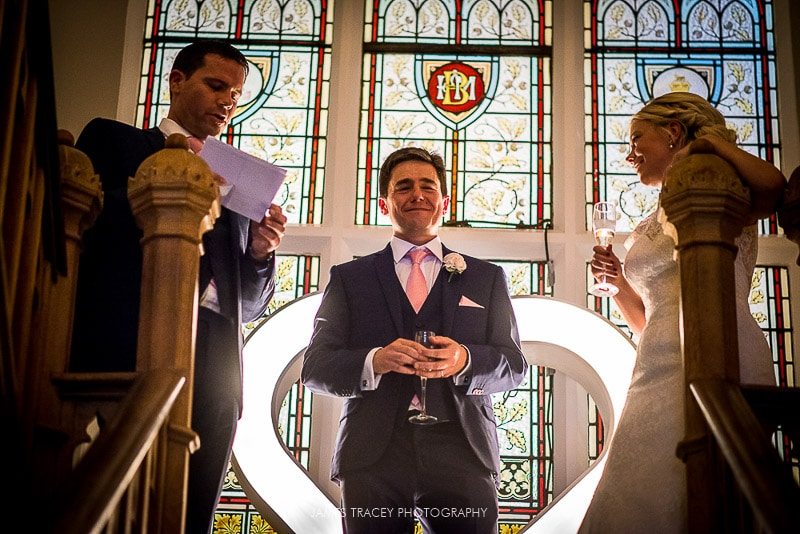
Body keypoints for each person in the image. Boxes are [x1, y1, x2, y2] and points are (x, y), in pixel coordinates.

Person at [69, 40, 287, 534]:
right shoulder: (114, 140)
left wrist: (258, 254)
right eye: (216, 86)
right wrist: (178, 186)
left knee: (192, 511)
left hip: (214, 362)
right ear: (176, 80)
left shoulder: (239, 186)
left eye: (235, 95)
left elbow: (247, 306)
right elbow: (84, 219)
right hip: (129, 337)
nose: (227, 102)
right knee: (112, 490)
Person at [580, 92, 785, 532]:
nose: (629, 153)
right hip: (657, 360)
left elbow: (775, 187)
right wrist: (618, 285)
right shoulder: (646, 224)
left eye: (637, 139)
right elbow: (647, 322)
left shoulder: (722, 183)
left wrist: (710, 146)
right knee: (644, 480)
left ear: (673, 132)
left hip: (719, 346)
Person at [301, 147, 527, 533]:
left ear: (444, 202)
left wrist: (464, 360)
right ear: (385, 204)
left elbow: (513, 366)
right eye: (403, 187)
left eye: (428, 186)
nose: (417, 194)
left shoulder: (485, 278)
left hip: (463, 449)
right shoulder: (349, 278)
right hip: (372, 455)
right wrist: (375, 360)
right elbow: (315, 368)